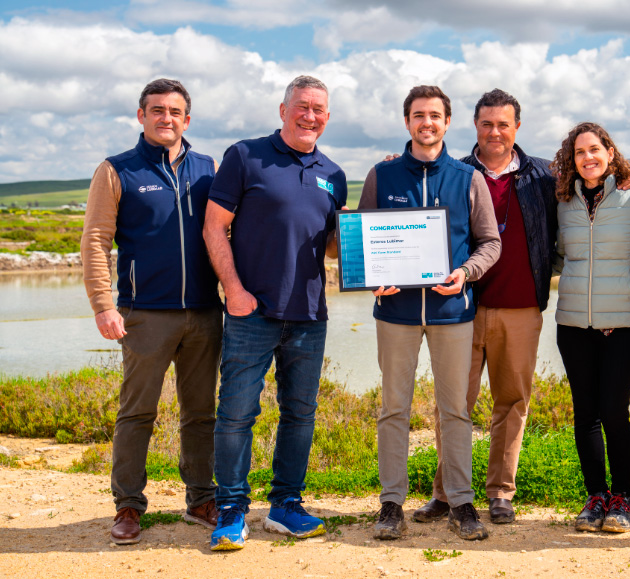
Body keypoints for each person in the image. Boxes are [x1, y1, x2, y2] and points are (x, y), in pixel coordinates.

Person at [203, 75, 347, 551]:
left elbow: (329, 247)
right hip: (252, 311)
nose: (311, 115)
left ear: (327, 116)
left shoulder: (334, 173)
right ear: (282, 109)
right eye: (302, 106)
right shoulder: (246, 155)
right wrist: (234, 290)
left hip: (309, 313)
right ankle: (231, 509)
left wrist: (361, 234)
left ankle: (285, 504)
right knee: (237, 413)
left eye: (319, 109)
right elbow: (213, 227)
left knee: (300, 415)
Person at [81, 78, 223, 545]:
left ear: (188, 119)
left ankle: (201, 498)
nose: (167, 118)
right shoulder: (116, 170)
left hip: (205, 313)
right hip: (144, 314)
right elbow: (97, 241)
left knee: (201, 412)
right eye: (157, 110)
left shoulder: (209, 167)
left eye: (175, 111)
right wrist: (104, 305)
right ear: (141, 116)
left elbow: (229, 232)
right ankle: (128, 505)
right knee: (137, 413)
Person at [359, 85, 501, 541]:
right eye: (419, 115)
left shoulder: (467, 177)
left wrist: (465, 272)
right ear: (407, 122)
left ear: (447, 122)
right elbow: (360, 241)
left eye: (435, 115)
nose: (427, 122)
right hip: (395, 313)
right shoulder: (382, 176)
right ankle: (390, 504)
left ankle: (461, 501)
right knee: (393, 409)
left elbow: (490, 243)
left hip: (451, 312)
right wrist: (371, 275)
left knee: (455, 410)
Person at [411, 89, 557, 526]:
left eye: (504, 124)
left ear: (517, 128)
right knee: (454, 403)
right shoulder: (451, 174)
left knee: (512, 402)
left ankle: (500, 493)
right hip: (459, 308)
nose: (495, 132)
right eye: (487, 123)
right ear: (474, 126)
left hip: (521, 308)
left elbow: (587, 196)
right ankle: (447, 492)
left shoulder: (545, 178)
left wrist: (622, 177)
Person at [552, 122, 630, 534]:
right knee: (586, 415)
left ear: (610, 153)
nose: (588, 158)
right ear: (571, 160)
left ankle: (623, 498)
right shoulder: (563, 205)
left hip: (623, 325)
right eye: (579, 152)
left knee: (615, 412)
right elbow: (557, 258)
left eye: (595, 149)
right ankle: (596, 495)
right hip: (574, 324)